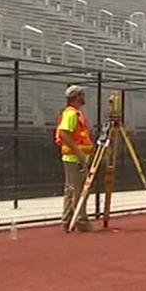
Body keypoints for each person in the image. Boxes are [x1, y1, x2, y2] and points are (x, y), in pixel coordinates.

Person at [56, 85, 95, 231]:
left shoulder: (74, 113)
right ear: (76, 96)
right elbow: (63, 133)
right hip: (75, 158)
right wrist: (79, 151)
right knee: (79, 190)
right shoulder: (71, 114)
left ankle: (68, 219)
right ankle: (81, 221)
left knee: (71, 190)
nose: (84, 97)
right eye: (82, 94)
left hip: (73, 157)